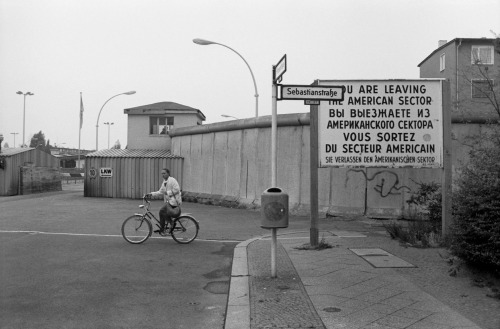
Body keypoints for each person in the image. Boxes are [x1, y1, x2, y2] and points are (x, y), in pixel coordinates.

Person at [147, 168, 182, 235]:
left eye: (164, 173)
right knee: (161, 212)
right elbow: (160, 191)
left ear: (168, 173)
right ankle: (162, 228)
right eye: (162, 173)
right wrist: (151, 194)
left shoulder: (172, 180)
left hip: (174, 201)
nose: (163, 175)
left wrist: (167, 193)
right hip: (170, 202)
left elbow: (177, 190)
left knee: (162, 211)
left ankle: (169, 223)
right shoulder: (164, 182)